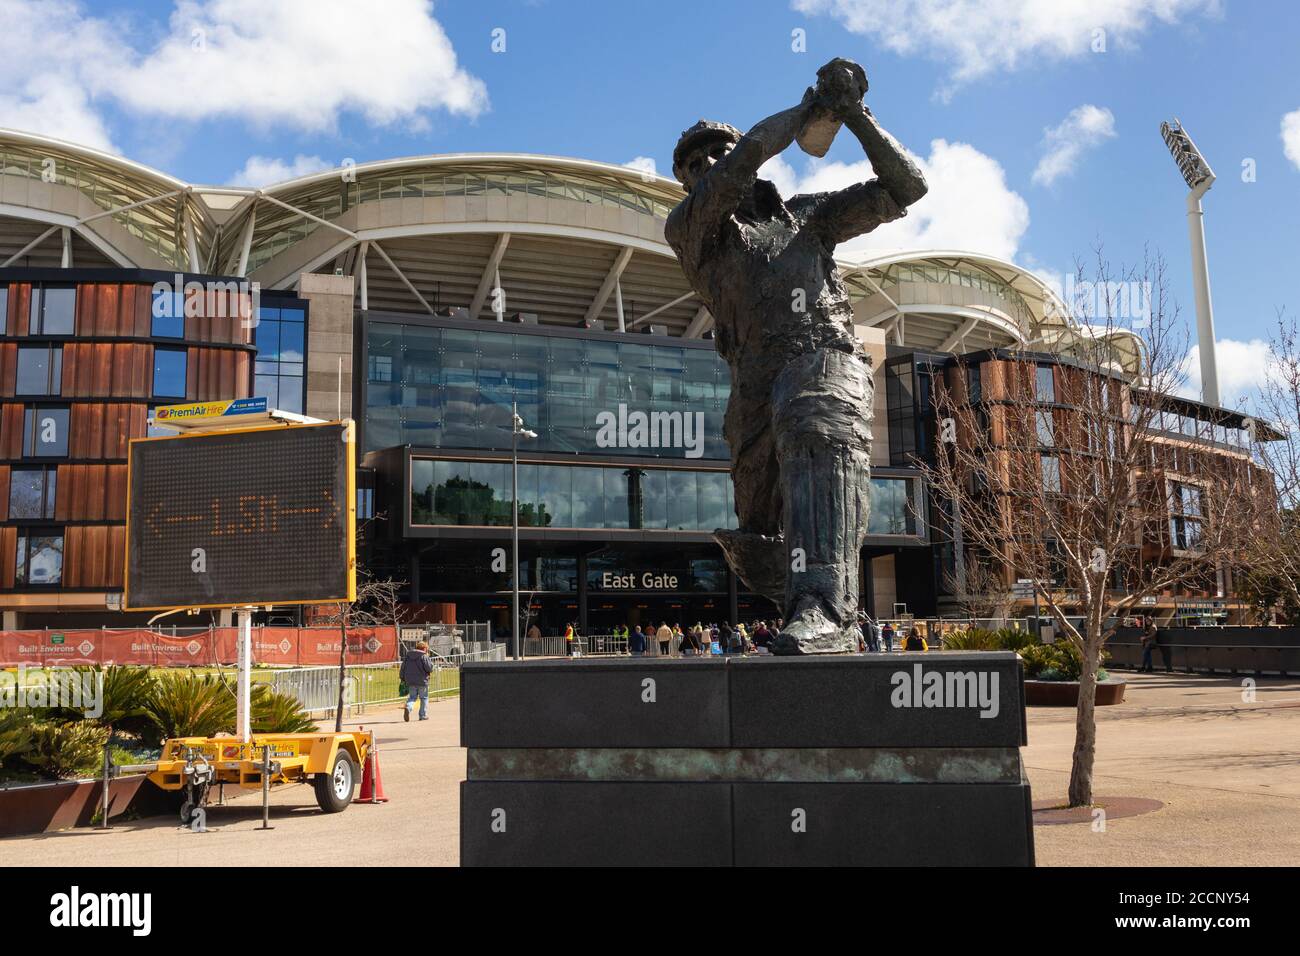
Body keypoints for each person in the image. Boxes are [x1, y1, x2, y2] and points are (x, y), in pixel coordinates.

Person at [666, 57, 928, 655]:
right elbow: (749, 154)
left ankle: (825, 610)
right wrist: (810, 111)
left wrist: (856, 116)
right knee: (757, 532)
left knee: (815, 424)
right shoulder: (690, 228)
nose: (706, 165)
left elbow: (907, 188)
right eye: (693, 164)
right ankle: (807, 598)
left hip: (824, 355)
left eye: (714, 152)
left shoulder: (808, 218)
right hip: (756, 383)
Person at [400, 640, 433, 722]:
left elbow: (403, 668)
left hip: (410, 681)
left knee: (412, 697)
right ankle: (422, 715)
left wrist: (402, 677)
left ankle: (408, 707)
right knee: (424, 698)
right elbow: (429, 668)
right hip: (422, 680)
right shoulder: (424, 656)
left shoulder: (408, 656)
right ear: (424, 648)